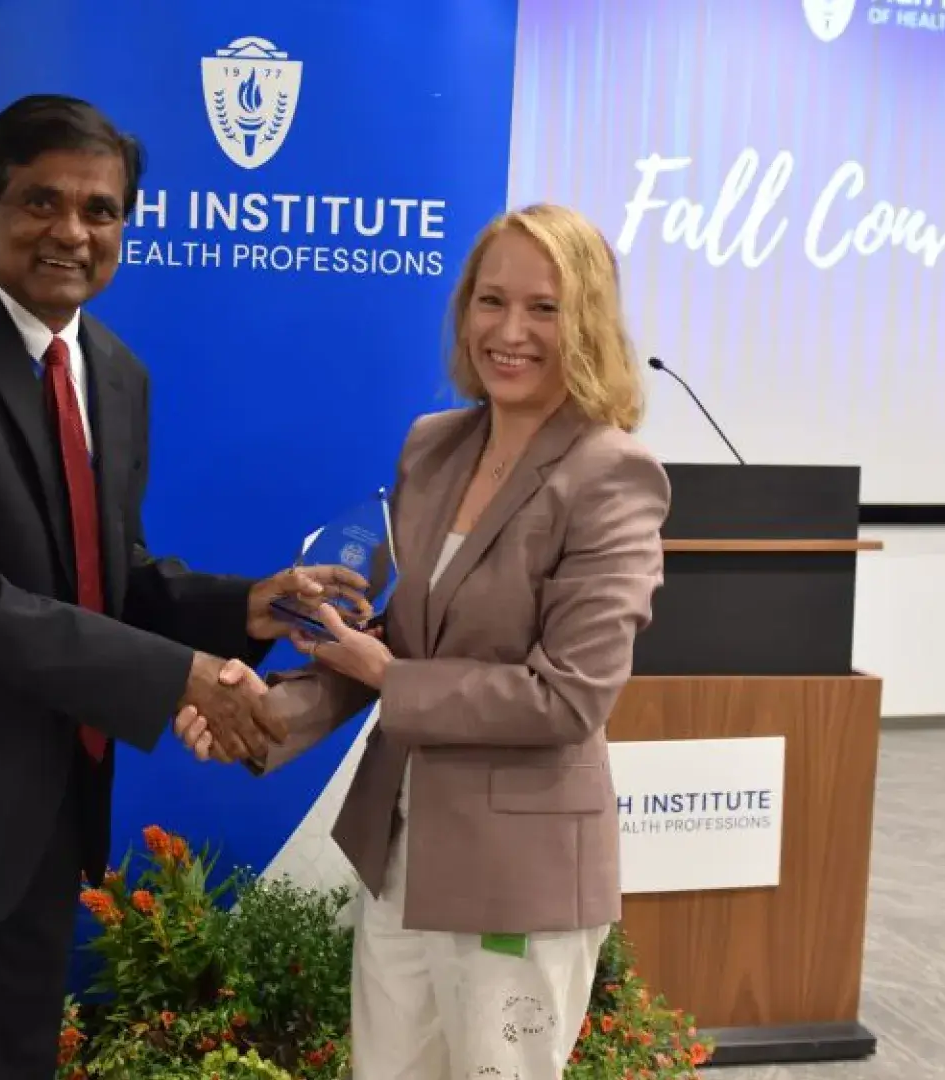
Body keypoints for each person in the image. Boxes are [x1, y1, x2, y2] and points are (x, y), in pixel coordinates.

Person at [0, 94, 362, 1080]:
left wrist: (243, 607)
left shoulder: (114, 371)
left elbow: (106, 580)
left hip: (47, 820)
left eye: (100, 211)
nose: (71, 232)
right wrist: (185, 676)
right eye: (40, 202)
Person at [179, 202, 671, 1080]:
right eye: (490, 301)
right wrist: (264, 715)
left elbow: (569, 696)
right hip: (400, 854)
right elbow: (387, 646)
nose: (509, 331)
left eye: (543, 308)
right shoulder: (433, 448)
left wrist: (390, 674)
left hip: (516, 875)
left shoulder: (611, 473)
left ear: (588, 320)